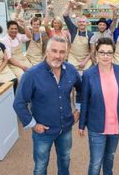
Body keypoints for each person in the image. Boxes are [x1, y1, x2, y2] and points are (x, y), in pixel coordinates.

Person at [13, 36, 82, 175]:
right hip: (43, 131)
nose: (58, 55)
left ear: (67, 53)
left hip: (66, 128)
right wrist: (33, 125)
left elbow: (82, 89)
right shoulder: (31, 74)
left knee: (64, 160)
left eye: (62, 52)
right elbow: (19, 103)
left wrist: (78, 110)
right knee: (41, 165)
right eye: (54, 51)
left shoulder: (71, 70)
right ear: (46, 51)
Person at [79, 37, 119, 175]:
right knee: (96, 163)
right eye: (102, 52)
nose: (105, 56)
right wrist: (81, 125)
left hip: (116, 126)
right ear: (96, 54)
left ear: (113, 54)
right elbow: (85, 100)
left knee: (109, 159)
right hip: (97, 126)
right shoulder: (89, 74)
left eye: (109, 53)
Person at [63, 1, 93, 73]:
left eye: (83, 22)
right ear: (77, 23)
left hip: (85, 59)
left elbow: (92, 51)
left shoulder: (90, 34)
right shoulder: (73, 30)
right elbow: (65, 16)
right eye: (80, 22)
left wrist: (85, 62)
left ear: (86, 23)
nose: (81, 23)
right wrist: (70, 5)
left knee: (85, 77)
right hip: (73, 58)